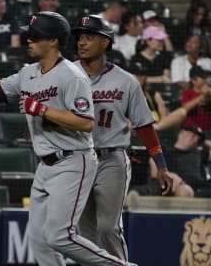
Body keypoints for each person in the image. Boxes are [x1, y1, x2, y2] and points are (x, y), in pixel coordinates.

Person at [0, 11, 138, 266]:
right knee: (38, 240)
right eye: (29, 35)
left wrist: (42, 110)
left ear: (54, 40)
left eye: (35, 36)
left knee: (59, 237)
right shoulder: (28, 73)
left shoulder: (72, 75)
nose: (29, 40)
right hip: (45, 166)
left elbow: (86, 123)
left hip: (73, 161)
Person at [72, 15, 173, 261]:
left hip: (111, 158)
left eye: (89, 37)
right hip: (77, 160)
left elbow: (145, 125)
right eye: (80, 37)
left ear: (105, 43)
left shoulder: (126, 81)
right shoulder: (67, 74)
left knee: (108, 227)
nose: (82, 42)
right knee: (85, 234)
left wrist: (160, 165)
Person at [181, 65, 211, 130]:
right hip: (192, 130)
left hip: (208, 131)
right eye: (203, 77)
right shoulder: (188, 93)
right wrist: (203, 95)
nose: (205, 80)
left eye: (206, 77)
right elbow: (185, 108)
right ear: (193, 80)